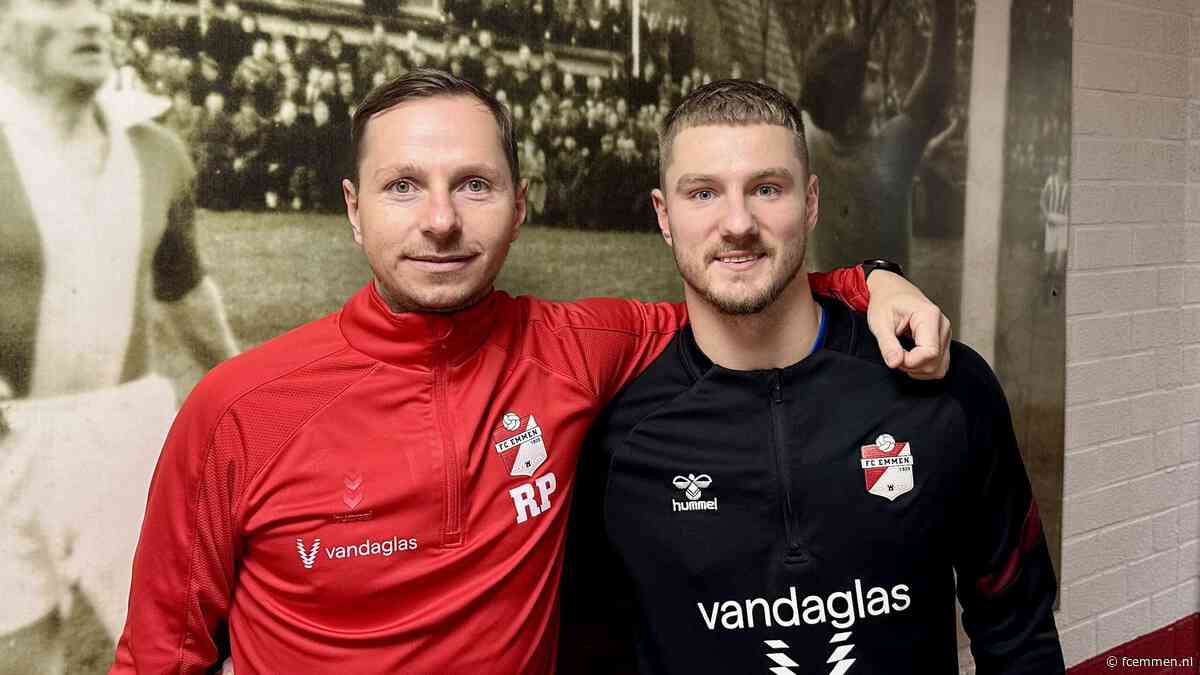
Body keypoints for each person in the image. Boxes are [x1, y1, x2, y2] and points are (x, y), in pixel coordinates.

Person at [112, 69, 949, 673]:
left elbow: (744, 285)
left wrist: (867, 279)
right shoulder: (237, 411)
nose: (440, 220)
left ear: (521, 202)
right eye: (403, 186)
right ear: (352, 210)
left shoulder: (578, 347)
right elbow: (161, 656)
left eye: (473, 184)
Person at [560, 79, 1063, 674]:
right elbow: (593, 653)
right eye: (703, 194)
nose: (738, 223)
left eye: (767, 188)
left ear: (812, 201)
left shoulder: (943, 383)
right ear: (664, 217)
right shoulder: (620, 434)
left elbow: (1019, 632)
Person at [0, 1, 239, 672]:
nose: (93, 20)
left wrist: (250, 388)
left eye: (100, 4)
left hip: (125, 438)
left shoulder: (156, 150)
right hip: (5, 445)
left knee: (196, 651)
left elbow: (182, 288)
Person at [802, 0, 957, 273]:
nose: (875, 70)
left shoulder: (808, 144)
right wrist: (945, 9)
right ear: (850, 118)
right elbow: (936, 84)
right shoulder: (889, 156)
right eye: (868, 77)